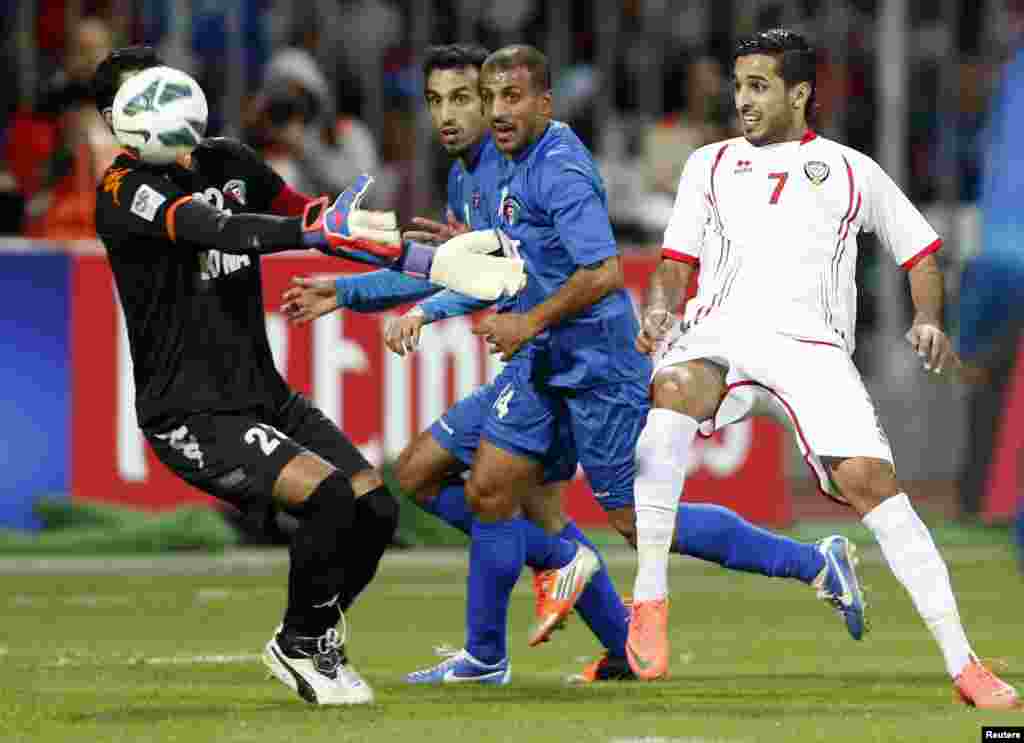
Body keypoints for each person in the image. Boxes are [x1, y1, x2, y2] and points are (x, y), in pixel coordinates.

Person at [285, 41, 876, 685]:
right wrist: (349, 290)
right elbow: (473, 274)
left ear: (538, 101)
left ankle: (811, 563)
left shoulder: (555, 166)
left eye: (475, 98)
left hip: (594, 368)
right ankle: (519, 625)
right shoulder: (477, 175)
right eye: (449, 100)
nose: (458, 113)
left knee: (632, 520)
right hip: (541, 368)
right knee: (441, 477)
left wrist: (514, 315)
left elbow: (601, 272)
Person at [90, 47, 523, 706]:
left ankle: (308, 632)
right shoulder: (123, 188)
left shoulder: (229, 159)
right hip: (191, 410)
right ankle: (303, 642)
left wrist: (429, 260)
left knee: (374, 509)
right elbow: (218, 229)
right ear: (114, 116)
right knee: (326, 498)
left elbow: (327, 225)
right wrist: (308, 227)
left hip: (263, 394)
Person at [626, 29, 1020, 709]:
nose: (742, 100)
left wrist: (927, 316)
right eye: (739, 85)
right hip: (720, 331)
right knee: (670, 390)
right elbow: (674, 265)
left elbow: (919, 251)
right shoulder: (708, 165)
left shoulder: (849, 169)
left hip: (812, 349)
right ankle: (650, 599)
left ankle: (964, 663)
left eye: (759, 87)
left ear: (799, 93)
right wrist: (662, 310)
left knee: (873, 483)